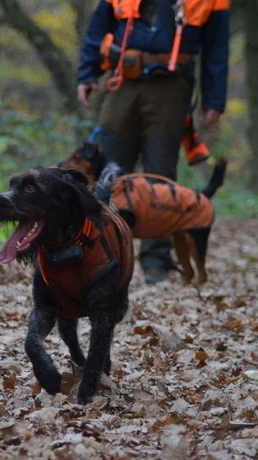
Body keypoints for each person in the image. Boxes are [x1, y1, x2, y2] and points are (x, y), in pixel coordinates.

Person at [75, 0, 229, 284]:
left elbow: (217, 50)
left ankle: (156, 262)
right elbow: (97, 31)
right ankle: (101, 255)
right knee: (107, 172)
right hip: (123, 81)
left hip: (170, 85)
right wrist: (87, 74)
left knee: (159, 173)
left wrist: (214, 100)